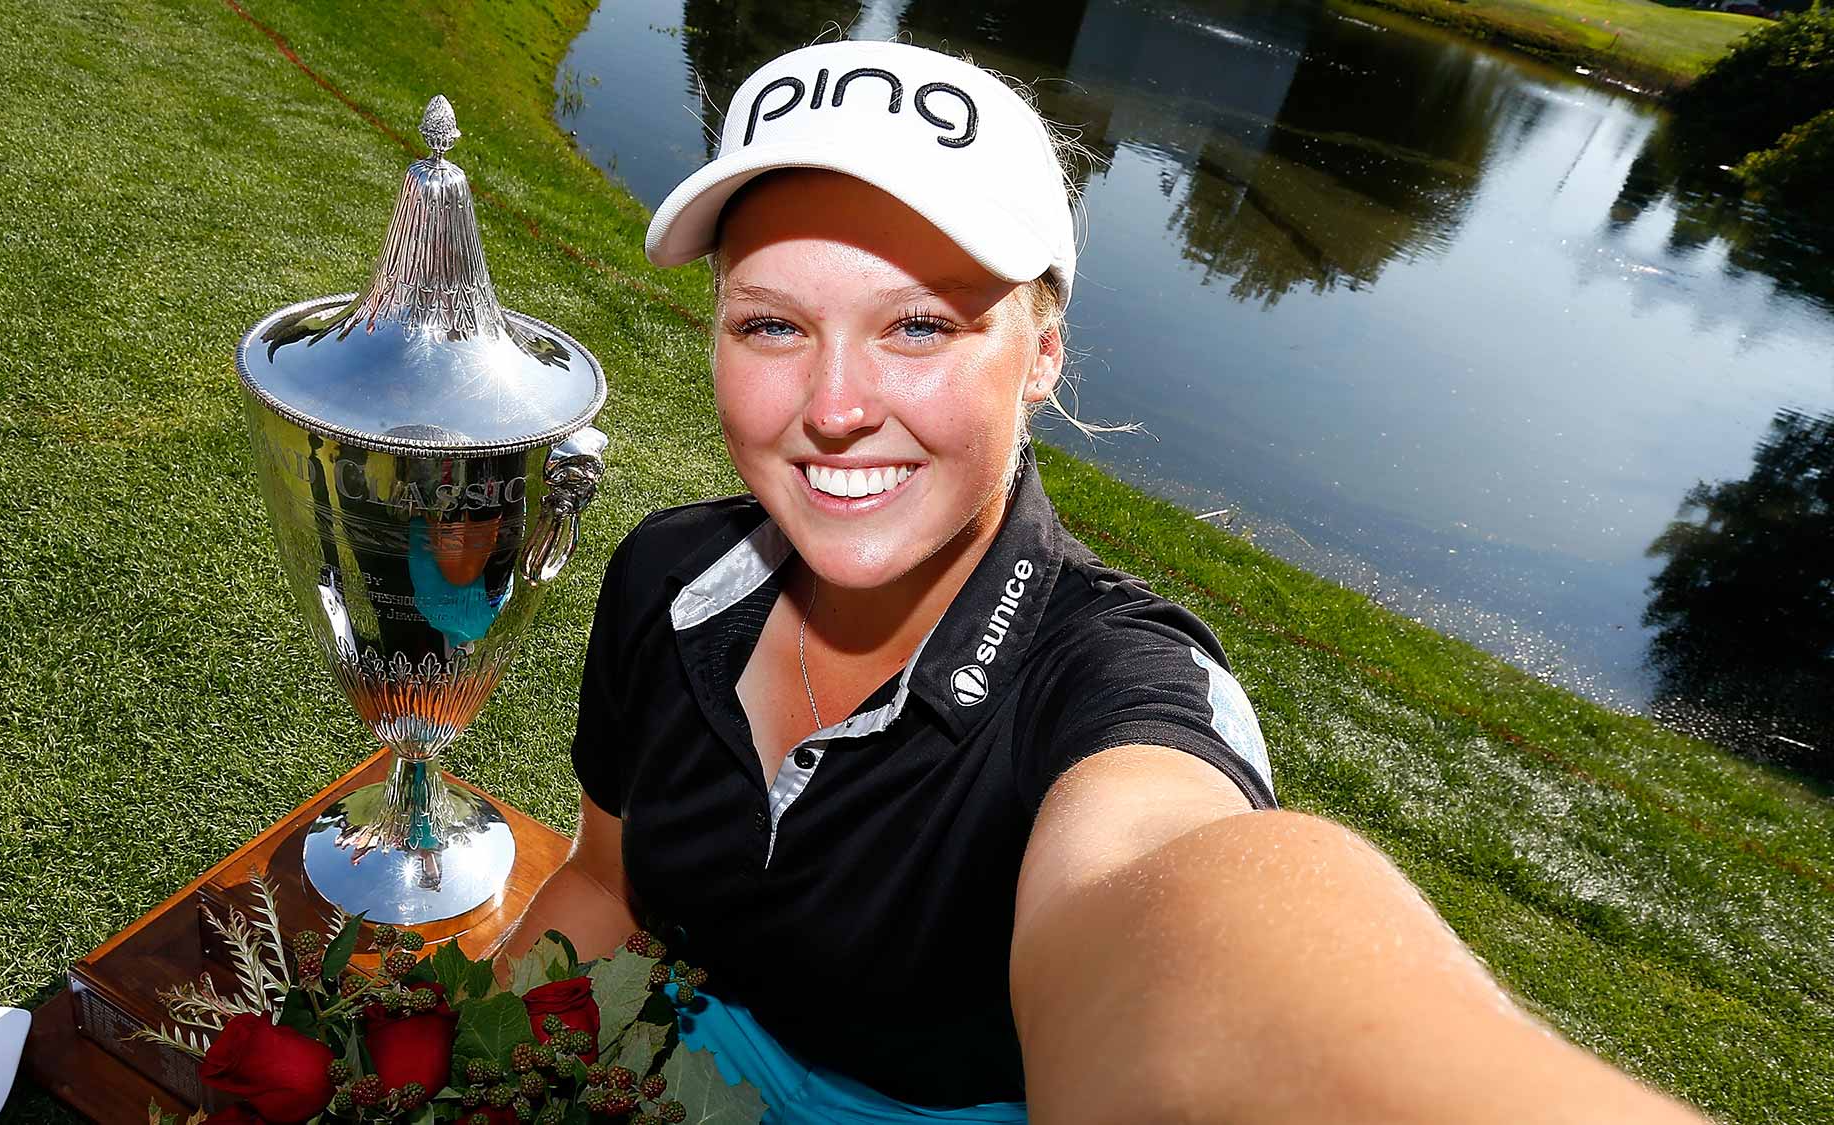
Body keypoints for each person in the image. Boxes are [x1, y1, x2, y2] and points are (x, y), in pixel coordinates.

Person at [502, 40, 1705, 1124]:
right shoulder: (668, 572)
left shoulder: (1114, 682)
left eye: (918, 325)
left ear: (1043, 352)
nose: (832, 409)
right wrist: (474, 1060)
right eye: (770, 325)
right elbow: (604, 884)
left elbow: (1172, 896)